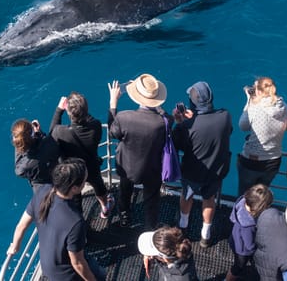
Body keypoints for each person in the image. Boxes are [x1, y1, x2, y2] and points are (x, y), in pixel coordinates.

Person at [7, 158, 103, 281]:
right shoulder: (75, 221)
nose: (85, 183)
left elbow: (21, 226)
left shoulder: (43, 190)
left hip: (48, 268)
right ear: (74, 188)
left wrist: (15, 246)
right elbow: (77, 263)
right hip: (66, 275)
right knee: (100, 274)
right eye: (84, 181)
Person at [172, 81, 233, 247]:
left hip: (192, 172)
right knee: (209, 199)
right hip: (215, 172)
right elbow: (228, 131)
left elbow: (177, 145)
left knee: (187, 195)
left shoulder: (187, 126)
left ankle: (183, 226)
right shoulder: (225, 116)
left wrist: (180, 122)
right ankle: (205, 235)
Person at [108, 73, 172, 229]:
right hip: (152, 170)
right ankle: (150, 229)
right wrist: (158, 107)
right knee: (152, 200)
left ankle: (124, 217)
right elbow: (166, 118)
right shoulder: (164, 122)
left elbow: (112, 132)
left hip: (127, 167)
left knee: (125, 192)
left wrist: (113, 102)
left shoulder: (124, 117)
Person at [49, 92, 114, 218]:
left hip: (73, 171)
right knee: (99, 186)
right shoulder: (96, 126)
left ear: (69, 113)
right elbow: (90, 119)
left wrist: (59, 110)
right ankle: (105, 208)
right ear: (86, 111)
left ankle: (79, 221)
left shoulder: (60, 132)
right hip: (91, 166)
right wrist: (81, 108)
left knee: (76, 197)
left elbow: (51, 133)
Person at [237, 76, 287, 195]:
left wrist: (249, 101)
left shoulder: (255, 108)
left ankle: (242, 213)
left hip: (252, 162)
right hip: (273, 161)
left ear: (259, 91)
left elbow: (242, 126)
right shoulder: (282, 106)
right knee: (261, 196)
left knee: (244, 196)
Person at [226, 184, 273, 281]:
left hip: (235, 239)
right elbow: (250, 245)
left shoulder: (242, 202)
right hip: (243, 250)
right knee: (238, 266)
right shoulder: (248, 225)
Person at [12, 118, 60, 191]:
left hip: (42, 189)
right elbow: (45, 141)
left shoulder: (25, 166)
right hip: (57, 178)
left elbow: (18, 170)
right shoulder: (49, 143)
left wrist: (18, 146)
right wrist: (39, 133)